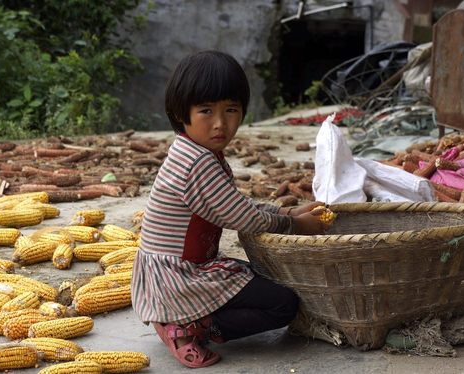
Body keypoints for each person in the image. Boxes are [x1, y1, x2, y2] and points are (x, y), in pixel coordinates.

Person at [131, 50, 328, 368]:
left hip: (183, 269)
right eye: (206, 111)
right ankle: (189, 327)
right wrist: (295, 225)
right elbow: (244, 218)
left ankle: (184, 317)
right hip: (178, 277)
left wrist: (287, 213)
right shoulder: (197, 163)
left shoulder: (196, 150)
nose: (220, 124)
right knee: (283, 304)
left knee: (263, 279)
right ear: (182, 112)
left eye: (231, 110)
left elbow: (233, 205)